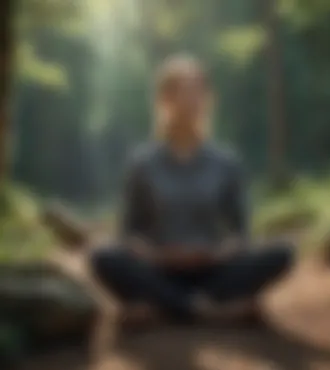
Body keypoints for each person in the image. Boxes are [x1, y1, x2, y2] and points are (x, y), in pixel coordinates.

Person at [91, 54, 294, 325]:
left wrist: (216, 254)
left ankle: (165, 308)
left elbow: (241, 232)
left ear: (208, 99)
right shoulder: (142, 163)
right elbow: (128, 233)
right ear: (163, 100)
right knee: (104, 257)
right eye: (182, 91)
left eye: (199, 90)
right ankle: (208, 310)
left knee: (282, 251)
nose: (191, 99)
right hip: (158, 268)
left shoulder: (226, 162)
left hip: (213, 269)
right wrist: (158, 255)